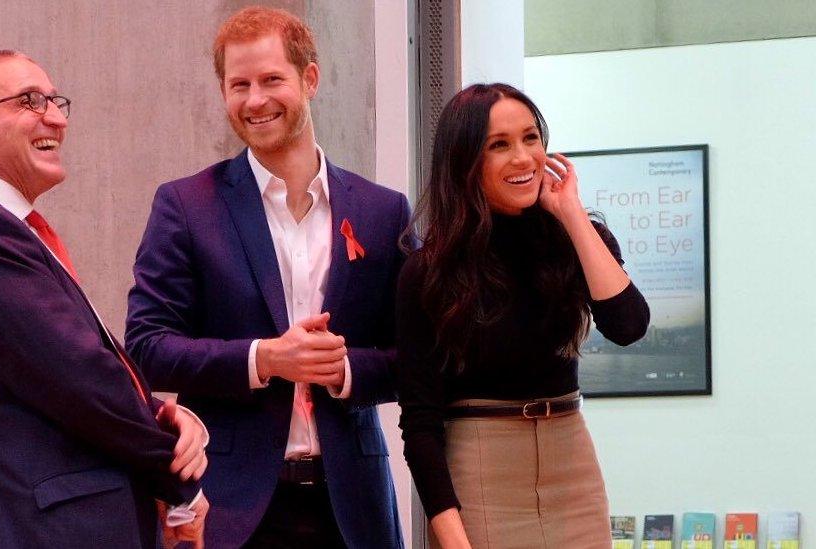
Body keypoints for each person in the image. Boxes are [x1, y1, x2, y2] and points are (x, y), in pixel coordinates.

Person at [126, 7, 407, 549]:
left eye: (272, 80)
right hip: (230, 509)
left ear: (311, 79)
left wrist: (344, 369)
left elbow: (417, 355)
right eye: (239, 85)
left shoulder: (382, 210)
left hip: (352, 507)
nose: (255, 100)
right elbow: (147, 346)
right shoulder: (186, 206)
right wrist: (266, 358)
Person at [0, 50, 209, 549]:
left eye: (56, 101)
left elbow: (55, 375)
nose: (57, 117)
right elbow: (80, 379)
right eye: (30, 101)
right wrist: (179, 479)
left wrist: (157, 414)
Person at [396, 83, 650, 548]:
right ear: (465, 161)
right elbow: (420, 420)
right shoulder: (429, 269)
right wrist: (452, 538)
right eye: (499, 145)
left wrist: (571, 215)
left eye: (531, 138)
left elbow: (629, 326)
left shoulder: (576, 238)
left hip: (571, 463)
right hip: (481, 467)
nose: (522, 158)